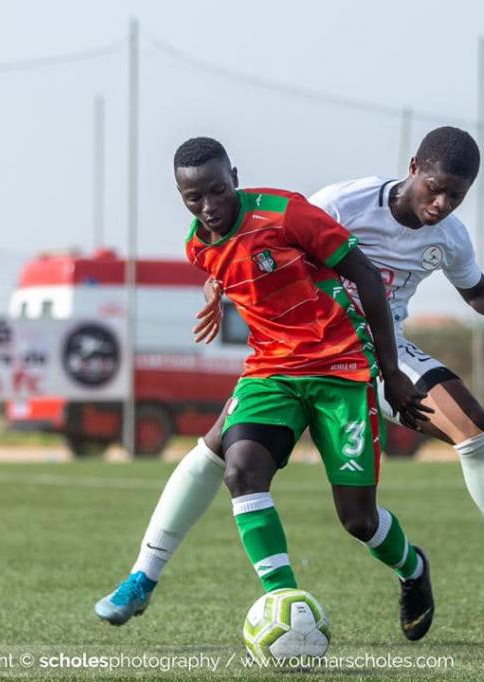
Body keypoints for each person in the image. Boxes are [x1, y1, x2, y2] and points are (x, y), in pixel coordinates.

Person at [95, 137, 436, 642]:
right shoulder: (197, 245)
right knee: (240, 471)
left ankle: (412, 568)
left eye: (217, 190)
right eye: (194, 198)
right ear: (180, 196)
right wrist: (214, 290)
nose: (208, 206)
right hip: (271, 372)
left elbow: (362, 273)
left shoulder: (285, 214)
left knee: (359, 521)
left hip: (340, 367)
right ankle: (283, 600)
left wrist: (390, 370)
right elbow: (229, 267)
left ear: (234, 176)